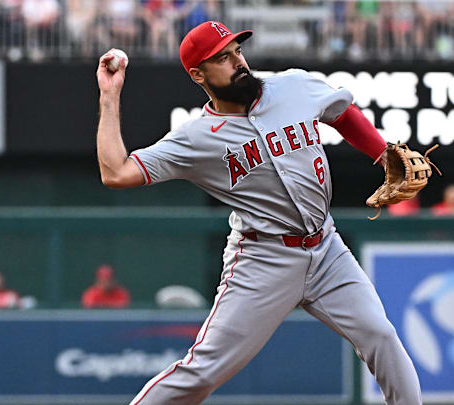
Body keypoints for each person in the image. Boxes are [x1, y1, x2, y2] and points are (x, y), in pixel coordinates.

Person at [95, 21, 421, 405]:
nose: (238, 62)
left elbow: (341, 111)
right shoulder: (195, 138)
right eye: (223, 58)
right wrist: (109, 96)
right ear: (198, 74)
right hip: (263, 260)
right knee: (202, 372)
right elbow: (116, 173)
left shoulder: (293, 86)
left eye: (237, 51)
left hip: (327, 249)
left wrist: (381, 153)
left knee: (381, 336)